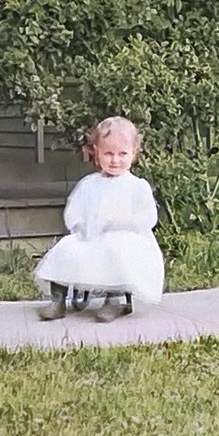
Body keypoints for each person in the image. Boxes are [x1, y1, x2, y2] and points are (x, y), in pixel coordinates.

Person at [34, 116, 165, 322]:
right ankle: (58, 300)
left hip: (126, 238)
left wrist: (120, 224)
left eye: (122, 154)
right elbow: (74, 209)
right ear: (96, 152)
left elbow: (147, 217)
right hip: (92, 235)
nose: (115, 160)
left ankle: (114, 300)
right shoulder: (89, 184)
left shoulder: (137, 186)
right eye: (108, 153)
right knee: (65, 249)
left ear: (134, 153)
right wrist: (80, 226)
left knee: (115, 252)